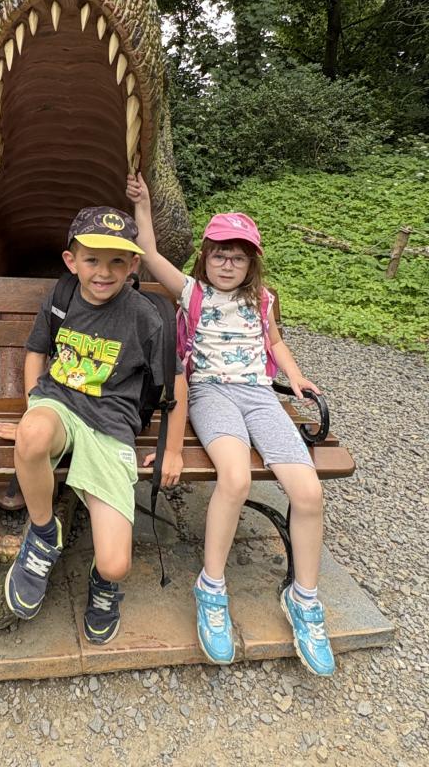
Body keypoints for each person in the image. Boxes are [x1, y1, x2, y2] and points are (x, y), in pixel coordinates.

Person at [126, 173, 335, 676]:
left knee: (308, 492)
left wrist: (297, 378)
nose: (227, 264)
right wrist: (144, 204)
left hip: (260, 396)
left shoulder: (262, 300)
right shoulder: (191, 292)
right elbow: (149, 252)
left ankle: (304, 598)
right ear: (205, 258)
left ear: (251, 263)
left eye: (238, 257)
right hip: (210, 393)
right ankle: (212, 586)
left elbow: (275, 343)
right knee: (235, 478)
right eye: (219, 254)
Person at [0, 206, 187, 645]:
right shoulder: (62, 296)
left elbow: (176, 383)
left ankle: (103, 583)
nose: (104, 271)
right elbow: (36, 352)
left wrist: (172, 449)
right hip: (58, 403)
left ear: (133, 264)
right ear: (71, 261)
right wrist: (32, 411)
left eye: (117, 261)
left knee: (117, 564)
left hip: (111, 424)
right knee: (33, 435)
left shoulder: (145, 315)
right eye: (92, 259)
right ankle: (44, 534)